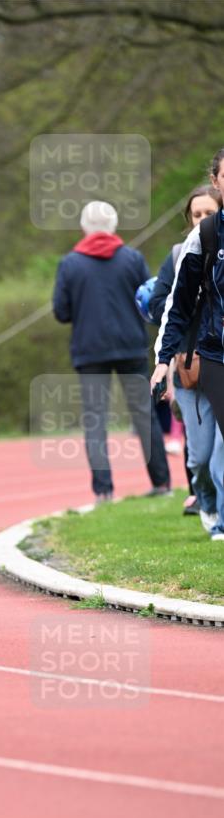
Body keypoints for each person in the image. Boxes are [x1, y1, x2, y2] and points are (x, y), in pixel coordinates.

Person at [53, 201, 171, 502]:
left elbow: (61, 312)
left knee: (95, 419)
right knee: (144, 414)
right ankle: (161, 484)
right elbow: (149, 302)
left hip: (90, 350)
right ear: (114, 226)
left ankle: (103, 491)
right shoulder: (132, 259)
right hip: (131, 345)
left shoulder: (70, 264)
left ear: (84, 228)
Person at [151, 148, 224, 540]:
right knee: (200, 457)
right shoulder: (200, 242)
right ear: (217, 181)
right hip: (202, 359)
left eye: (205, 212)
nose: (201, 218)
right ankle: (209, 503)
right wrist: (164, 359)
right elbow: (171, 305)